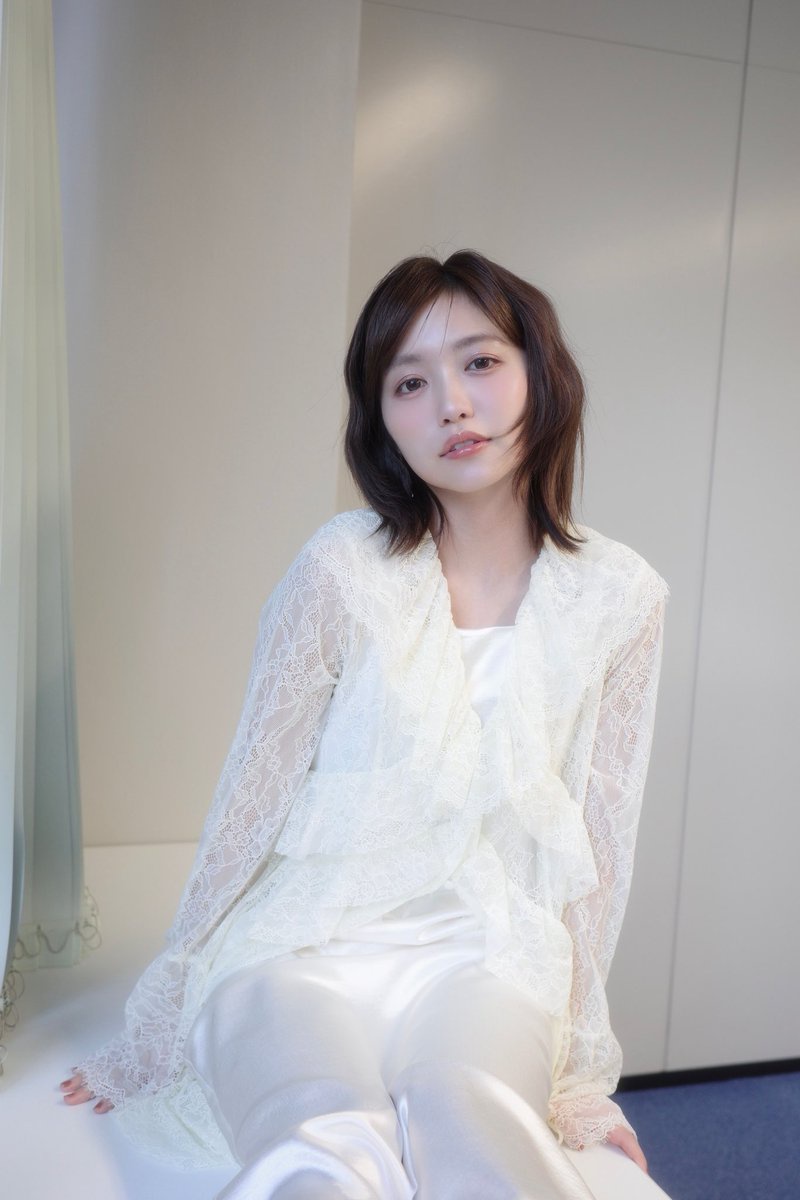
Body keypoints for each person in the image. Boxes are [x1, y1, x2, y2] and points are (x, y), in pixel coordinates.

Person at [61, 250, 668, 1199]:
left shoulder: (621, 595)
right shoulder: (341, 568)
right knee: (322, 1131)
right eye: (409, 383)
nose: (452, 406)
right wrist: (162, 1012)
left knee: (473, 1113)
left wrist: (582, 1067)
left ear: (541, 375)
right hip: (298, 946)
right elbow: (250, 799)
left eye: (480, 362)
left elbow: (601, 846)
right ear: (381, 418)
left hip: (485, 958)